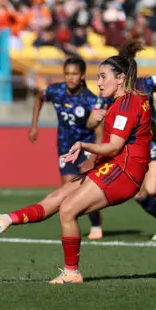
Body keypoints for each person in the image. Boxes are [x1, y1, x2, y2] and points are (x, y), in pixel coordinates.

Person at [0, 40, 156, 284]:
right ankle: (5, 219)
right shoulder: (133, 99)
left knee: (68, 210)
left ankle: (72, 272)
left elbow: (115, 146)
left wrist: (84, 146)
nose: (99, 82)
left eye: (104, 76)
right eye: (98, 76)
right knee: (57, 197)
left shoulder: (126, 104)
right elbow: (149, 123)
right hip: (113, 166)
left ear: (120, 78)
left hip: (124, 172)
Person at [84, 73, 156, 241]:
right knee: (139, 194)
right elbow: (90, 123)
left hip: (155, 139)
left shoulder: (145, 83)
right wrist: (94, 119)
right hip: (132, 145)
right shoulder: (107, 92)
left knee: (153, 189)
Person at [28, 56, 108, 240]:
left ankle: (96, 224)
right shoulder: (56, 91)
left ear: (82, 76)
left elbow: (99, 133)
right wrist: (34, 126)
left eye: (74, 74)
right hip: (65, 146)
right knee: (68, 189)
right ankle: (73, 225)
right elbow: (39, 98)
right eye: (67, 74)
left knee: (86, 190)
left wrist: (92, 159)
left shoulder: (91, 100)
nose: (70, 78)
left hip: (86, 148)